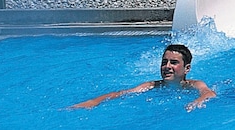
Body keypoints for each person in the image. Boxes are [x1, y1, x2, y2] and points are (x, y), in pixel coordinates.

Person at [70, 44, 216, 111]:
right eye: (164, 62)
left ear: (187, 68)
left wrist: (197, 101)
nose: (167, 66)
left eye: (174, 62)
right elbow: (122, 94)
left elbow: (209, 93)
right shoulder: (153, 86)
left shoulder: (193, 85)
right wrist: (93, 102)